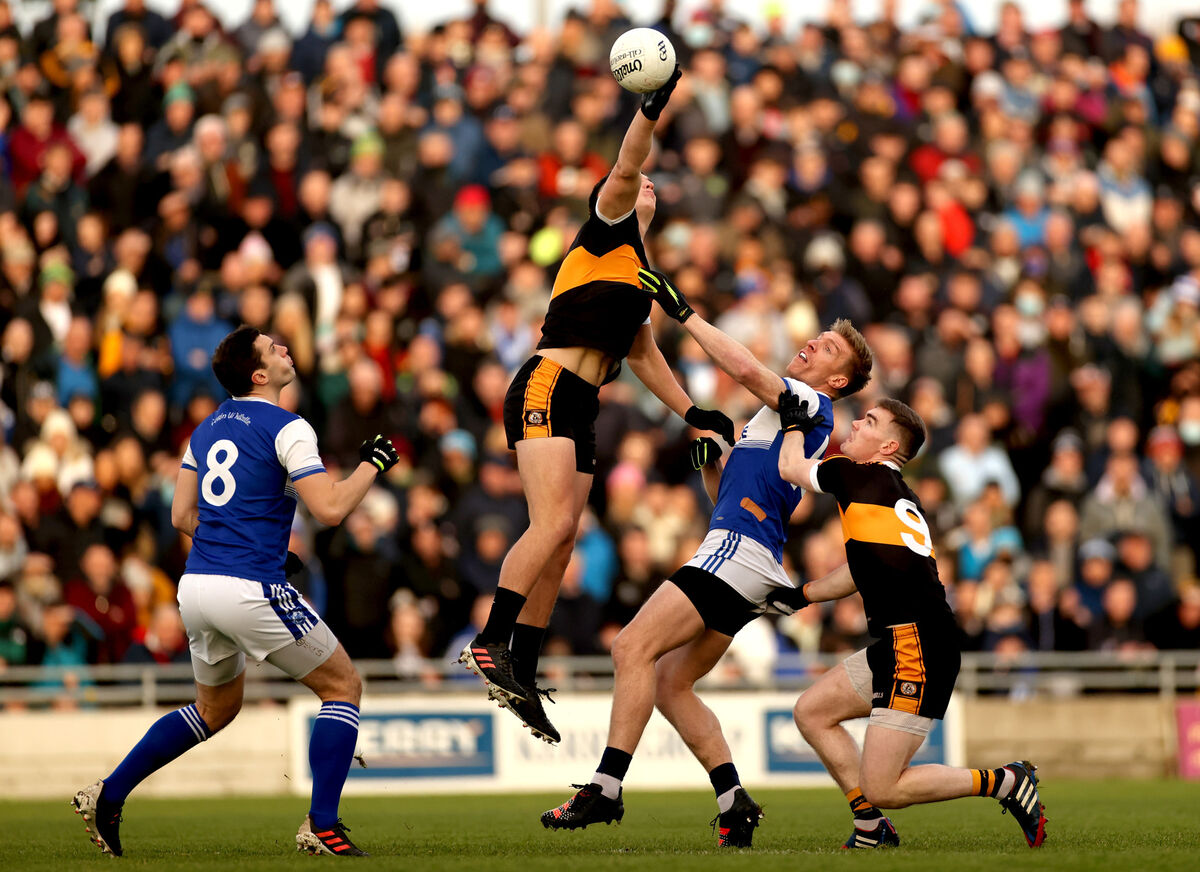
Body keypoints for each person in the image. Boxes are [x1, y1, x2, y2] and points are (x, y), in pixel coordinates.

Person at [541, 266, 872, 847]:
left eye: (830, 347)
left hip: (737, 556)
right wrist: (710, 474)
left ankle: (606, 788)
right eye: (821, 334)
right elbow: (740, 501)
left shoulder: (811, 405)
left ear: (839, 380)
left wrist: (685, 313)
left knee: (629, 647)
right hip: (751, 559)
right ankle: (734, 801)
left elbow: (744, 368)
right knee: (671, 685)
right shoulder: (782, 419)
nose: (814, 342)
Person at [458, 66, 736, 744]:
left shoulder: (638, 270)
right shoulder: (606, 229)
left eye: (650, 187)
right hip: (547, 384)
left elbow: (642, 353)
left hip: (580, 401)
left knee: (563, 537)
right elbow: (625, 164)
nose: (645, 185)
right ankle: (491, 641)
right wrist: (650, 112)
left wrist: (692, 413)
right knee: (550, 527)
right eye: (638, 183)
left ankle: (520, 660)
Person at [72, 325, 401, 858]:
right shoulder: (289, 426)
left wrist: (237, 540)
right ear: (260, 374)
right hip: (248, 586)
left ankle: (109, 793)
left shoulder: (203, 429)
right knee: (343, 687)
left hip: (198, 586)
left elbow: (182, 515)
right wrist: (373, 465)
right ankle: (322, 824)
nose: (286, 348)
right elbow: (332, 509)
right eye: (275, 348)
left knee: (215, 708)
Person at [774, 394, 1047, 849]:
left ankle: (1003, 781)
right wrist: (803, 594)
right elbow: (861, 570)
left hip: (915, 645)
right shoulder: (897, 494)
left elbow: (790, 467)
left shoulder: (852, 474)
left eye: (870, 421)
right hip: (907, 640)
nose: (857, 424)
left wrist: (793, 421)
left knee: (884, 786)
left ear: (885, 448)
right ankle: (870, 828)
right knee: (812, 712)